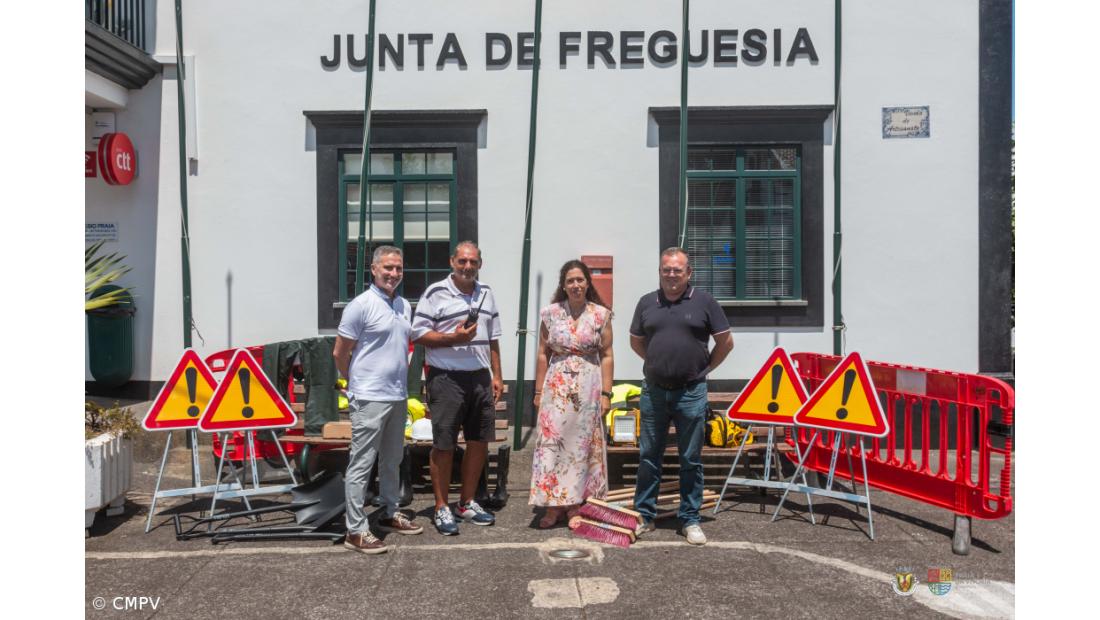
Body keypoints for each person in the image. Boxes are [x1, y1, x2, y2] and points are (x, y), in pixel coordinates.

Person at [629, 247, 734, 545]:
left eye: (677, 270)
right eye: (666, 269)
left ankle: (690, 519)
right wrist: (656, 363)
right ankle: (645, 515)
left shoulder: (705, 302)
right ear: (660, 272)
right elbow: (636, 341)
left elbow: (726, 342)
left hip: (691, 392)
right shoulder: (647, 302)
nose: (671, 275)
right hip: (654, 391)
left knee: (691, 458)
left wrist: (705, 368)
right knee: (649, 456)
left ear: (689, 273)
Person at [333, 246, 424, 555]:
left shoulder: (402, 305)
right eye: (388, 268)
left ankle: (388, 512)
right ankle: (355, 530)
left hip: (397, 395)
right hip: (369, 397)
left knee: (392, 460)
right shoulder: (360, 305)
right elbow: (339, 352)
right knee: (361, 463)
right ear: (373, 269)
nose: (394, 273)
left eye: (398, 268)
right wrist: (356, 383)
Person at [412, 241, 504, 535]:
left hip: (479, 377)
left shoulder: (486, 293)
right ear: (453, 261)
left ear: (480, 264)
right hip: (446, 377)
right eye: (462, 261)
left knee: (479, 441)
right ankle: (441, 506)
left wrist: (497, 375)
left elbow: (493, 339)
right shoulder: (435, 292)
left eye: (473, 262)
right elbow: (418, 334)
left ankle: (466, 502)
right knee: (444, 443)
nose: (467, 267)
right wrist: (453, 339)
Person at [529, 260, 614, 528]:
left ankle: (575, 505)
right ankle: (553, 506)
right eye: (570, 281)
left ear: (588, 282)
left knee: (580, 447)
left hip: (588, 387)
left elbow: (608, 355)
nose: (575, 285)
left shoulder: (601, 314)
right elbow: (543, 354)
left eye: (580, 280)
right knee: (553, 443)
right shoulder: (550, 313)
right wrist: (538, 390)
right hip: (557, 386)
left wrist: (606, 394)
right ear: (563, 285)